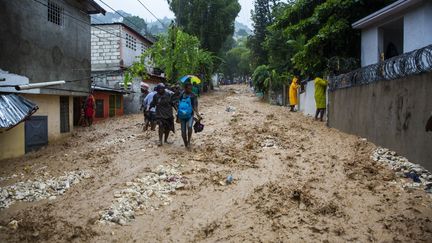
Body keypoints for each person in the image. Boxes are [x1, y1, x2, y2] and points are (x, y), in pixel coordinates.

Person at [178, 82, 201, 148]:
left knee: (190, 127)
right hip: (182, 115)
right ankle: (185, 143)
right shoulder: (181, 94)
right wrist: (178, 113)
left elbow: (195, 106)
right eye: (188, 88)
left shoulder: (193, 95)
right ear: (185, 88)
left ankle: (188, 142)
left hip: (190, 115)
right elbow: (179, 103)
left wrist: (197, 113)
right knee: (183, 132)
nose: (190, 89)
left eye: (191, 88)